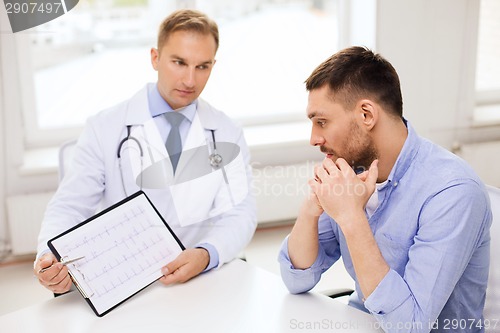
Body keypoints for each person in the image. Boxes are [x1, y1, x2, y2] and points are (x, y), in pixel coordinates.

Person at [34, 9, 256, 294]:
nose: (190, 80)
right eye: (179, 62)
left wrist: (206, 253)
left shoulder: (226, 132)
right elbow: (70, 206)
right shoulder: (105, 127)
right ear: (155, 57)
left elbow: (241, 213)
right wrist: (48, 256)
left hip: (198, 279)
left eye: (203, 66)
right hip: (124, 279)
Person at [278, 46, 492, 332]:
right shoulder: (352, 170)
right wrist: (311, 208)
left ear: (366, 115)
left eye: (322, 122)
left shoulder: (452, 192)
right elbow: (297, 279)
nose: (314, 139)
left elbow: (410, 326)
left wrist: (352, 218)